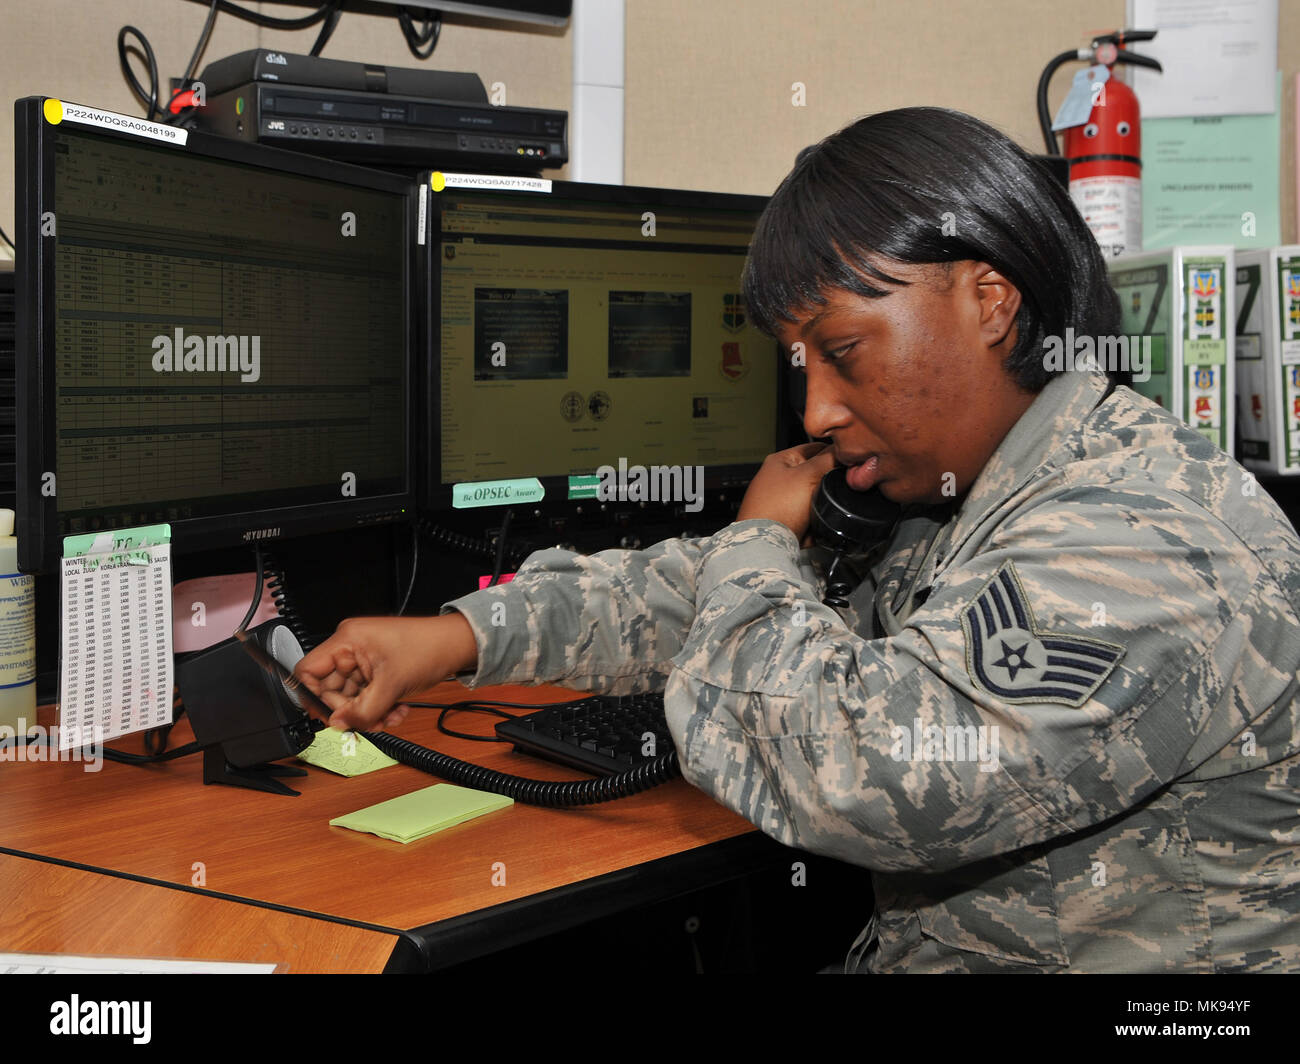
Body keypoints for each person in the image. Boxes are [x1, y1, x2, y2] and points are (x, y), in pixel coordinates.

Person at [295, 107, 1300, 973]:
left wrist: (758, 540)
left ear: (989, 300)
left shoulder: (1140, 539)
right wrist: (452, 637)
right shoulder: (972, 489)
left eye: (843, 350)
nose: (815, 406)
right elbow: (693, 591)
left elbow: (851, 769)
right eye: (799, 363)